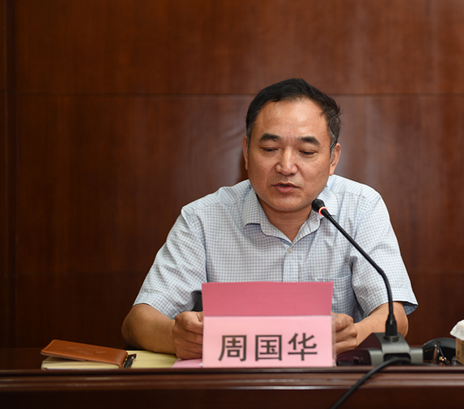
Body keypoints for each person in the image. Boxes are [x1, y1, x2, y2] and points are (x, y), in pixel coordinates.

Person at [121, 78, 417, 359]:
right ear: (246, 152)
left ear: (332, 159)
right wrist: (176, 336)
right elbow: (137, 322)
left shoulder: (362, 207)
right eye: (269, 149)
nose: (286, 166)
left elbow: (394, 316)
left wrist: (351, 336)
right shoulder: (202, 218)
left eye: (306, 151)